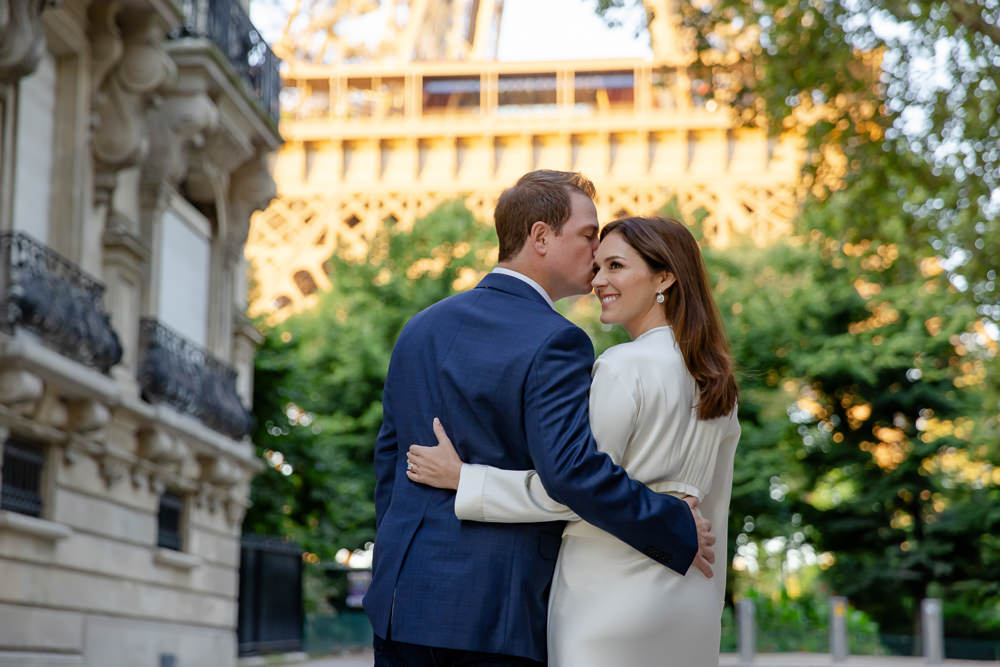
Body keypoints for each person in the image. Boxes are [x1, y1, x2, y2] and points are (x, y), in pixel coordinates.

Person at [363, 172, 715, 666]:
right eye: (589, 235)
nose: (595, 253)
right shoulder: (558, 339)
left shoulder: (420, 327)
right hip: (495, 614)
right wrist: (671, 522)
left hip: (402, 605)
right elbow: (571, 472)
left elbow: (390, 467)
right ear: (541, 237)